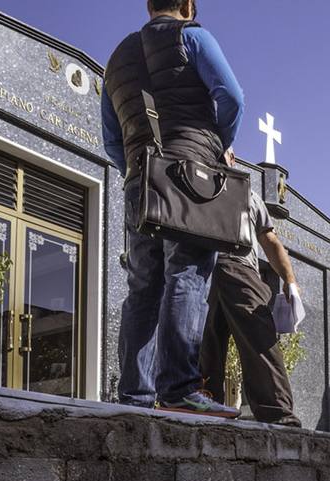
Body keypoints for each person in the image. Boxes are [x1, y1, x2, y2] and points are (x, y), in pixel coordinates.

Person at [101, 0, 243, 417]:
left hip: (139, 180)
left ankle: (135, 395)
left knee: (143, 286)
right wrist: (218, 144)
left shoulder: (116, 58)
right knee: (188, 270)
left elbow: (111, 137)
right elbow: (231, 97)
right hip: (190, 175)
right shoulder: (193, 36)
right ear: (187, 5)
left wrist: (138, 168)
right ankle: (179, 388)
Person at [199, 149, 302, 427]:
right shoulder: (207, 181)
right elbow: (270, 242)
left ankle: (276, 413)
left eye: (228, 154)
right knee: (212, 343)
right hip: (213, 267)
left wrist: (290, 282)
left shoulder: (245, 194)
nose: (226, 158)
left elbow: (270, 242)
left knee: (252, 338)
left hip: (227, 267)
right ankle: (209, 403)